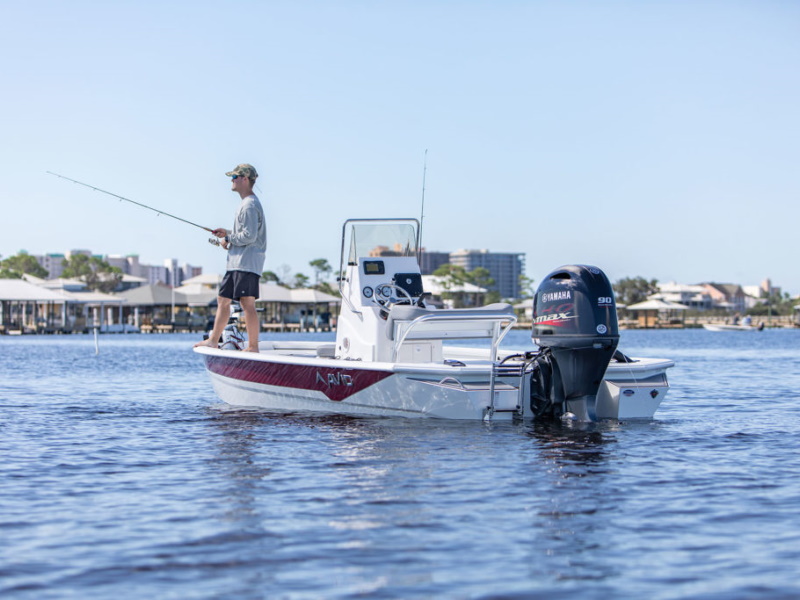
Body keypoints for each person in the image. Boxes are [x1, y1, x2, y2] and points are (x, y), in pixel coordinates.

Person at [195, 163, 266, 352]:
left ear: (245, 179)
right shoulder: (245, 204)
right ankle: (213, 340)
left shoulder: (250, 205)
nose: (232, 181)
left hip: (246, 262)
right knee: (223, 299)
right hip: (236, 262)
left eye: (234, 177)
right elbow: (244, 233)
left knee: (247, 303)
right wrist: (227, 233)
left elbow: (249, 236)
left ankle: (253, 346)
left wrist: (228, 238)